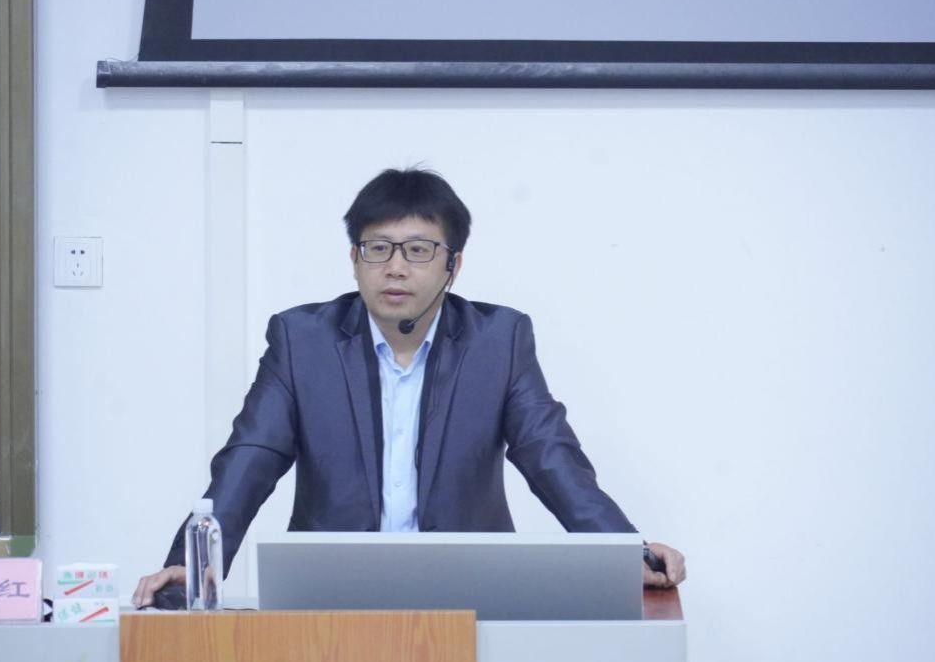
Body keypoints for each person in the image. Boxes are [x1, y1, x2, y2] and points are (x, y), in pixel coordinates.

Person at [132, 168, 685, 606]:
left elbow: (550, 454)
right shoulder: (303, 340)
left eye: (419, 250)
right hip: (332, 594)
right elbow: (250, 457)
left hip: (468, 593)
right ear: (354, 259)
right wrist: (191, 564)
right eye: (378, 248)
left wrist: (623, 551)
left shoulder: (498, 341)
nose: (396, 268)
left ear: (453, 266)